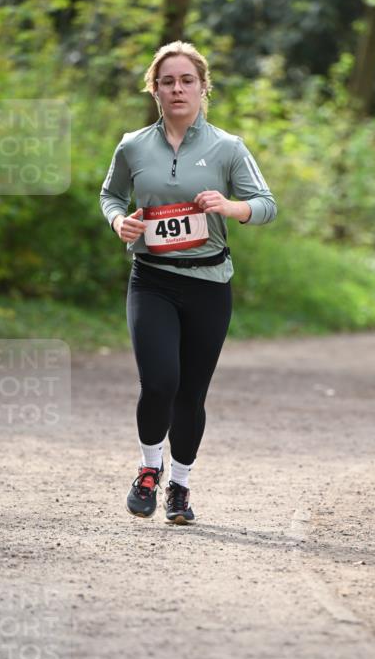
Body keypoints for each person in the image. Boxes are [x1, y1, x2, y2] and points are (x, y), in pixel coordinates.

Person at [100, 40, 277, 525]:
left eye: (186, 81)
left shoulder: (228, 147)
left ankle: (180, 486)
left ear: (203, 88)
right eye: (167, 81)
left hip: (208, 285)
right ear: (154, 90)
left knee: (190, 395)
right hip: (152, 280)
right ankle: (149, 471)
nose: (177, 89)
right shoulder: (133, 144)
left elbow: (266, 204)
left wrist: (230, 207)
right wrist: (120, 223)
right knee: (159, 382)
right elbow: (110, 195)